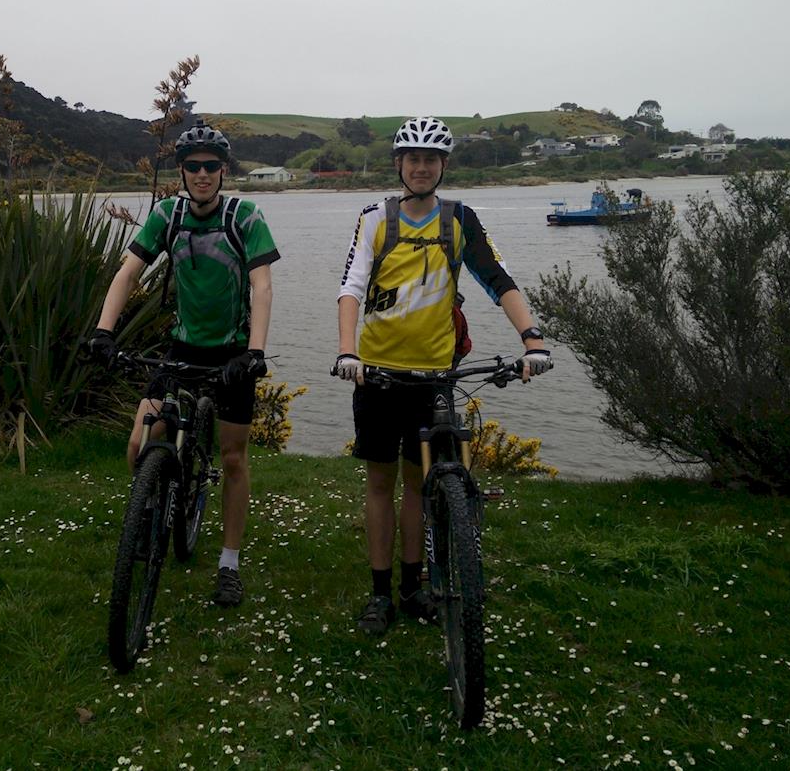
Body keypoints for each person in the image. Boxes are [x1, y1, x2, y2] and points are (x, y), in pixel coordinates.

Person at [333, 116, 551, 635]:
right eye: (413, 158)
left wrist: (533, 339)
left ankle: (413, 587)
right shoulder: (375, 219)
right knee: (381, 482)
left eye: (431, 159)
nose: (422, 167)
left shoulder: (459, 220)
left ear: (443, 166)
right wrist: (347, 352)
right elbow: (351, 287)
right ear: (399, 164)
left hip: (434, 375)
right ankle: (380, 593)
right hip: (377, 374)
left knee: (418, 483)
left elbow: (497, 280)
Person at [88, 123, 280, 607]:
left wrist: (255, 353)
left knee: (233, 458)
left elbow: (262, 286)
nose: (202, 174)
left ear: (223, 170)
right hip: (183, 347)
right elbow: (128, 272)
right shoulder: (167, 216)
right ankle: (151, 506)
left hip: (234, 352)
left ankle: (229, 563)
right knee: (140, 441)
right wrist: (104, 332)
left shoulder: (245, 217)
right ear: (181, 171)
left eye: (211, 166)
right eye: (193, 166)